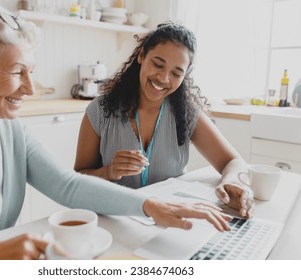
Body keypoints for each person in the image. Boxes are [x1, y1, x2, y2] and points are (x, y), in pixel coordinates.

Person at [0, 6, 232, 260]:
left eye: (32, 71)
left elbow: (66, 184)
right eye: (18, 72)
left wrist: (149, 206)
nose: (30, 88)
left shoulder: (9, 130)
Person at [74, 22, 254, 218]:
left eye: (176, 73)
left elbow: (234, 161)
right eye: (158, 64)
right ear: (141, 56)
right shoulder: (100, 110)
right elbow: (77, 179)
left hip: (169, 222)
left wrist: (232, 181)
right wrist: (108, 172)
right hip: (114, 220)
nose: (164, 78)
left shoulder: (186, 113)